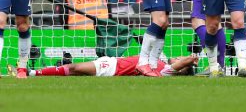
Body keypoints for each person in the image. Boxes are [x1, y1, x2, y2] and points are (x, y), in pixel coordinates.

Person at [7, 55, 198, 77]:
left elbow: (185, 62)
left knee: (74, 68)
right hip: (113, 62)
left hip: (112, 68)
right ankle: (32, 72)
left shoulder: (167, 72)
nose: (179, 57)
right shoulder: (162, 62)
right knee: (74, 69)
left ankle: (31, 72)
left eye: (182, 60)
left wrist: (194, 57)